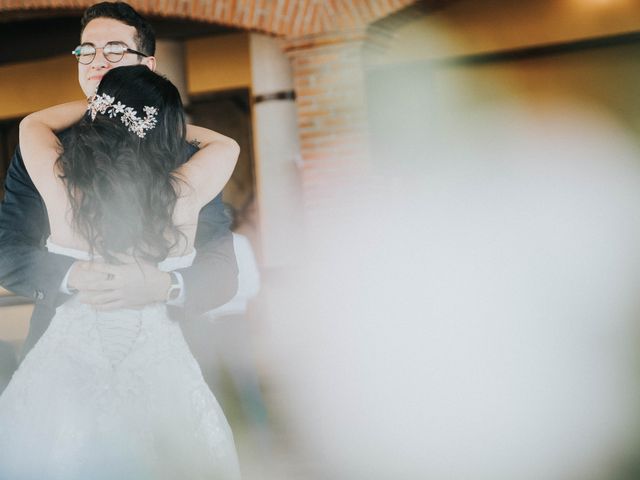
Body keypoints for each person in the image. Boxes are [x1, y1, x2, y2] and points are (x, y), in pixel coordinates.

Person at [0, 65, 241, 478]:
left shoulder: (61, 183)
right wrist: (159, 122)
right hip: (159, 371)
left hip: (66, 369)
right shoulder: (182, 192)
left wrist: (103, 107)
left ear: (98, 115)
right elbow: (227, 144)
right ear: (164, 129)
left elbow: (34, 122)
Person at [0, 1, 238, 361]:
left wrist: (169, 286)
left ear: (148, 66)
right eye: (86, 51)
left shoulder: (189, 157)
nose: (97, 60)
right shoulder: (48, 148)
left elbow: (221, 268)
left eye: (115, 49)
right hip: (62, 352)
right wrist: (71, 276)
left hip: (165, 351)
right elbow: (7, 250)